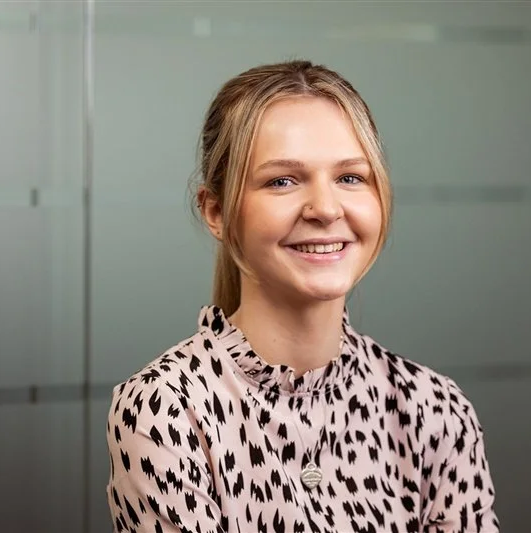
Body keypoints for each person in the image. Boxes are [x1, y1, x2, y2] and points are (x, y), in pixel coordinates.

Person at [106, 60, 499, 533]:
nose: (326, 208)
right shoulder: (168, 410)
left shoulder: (435, 409)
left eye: (351, 177)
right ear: (216, 211)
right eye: (283, 181)